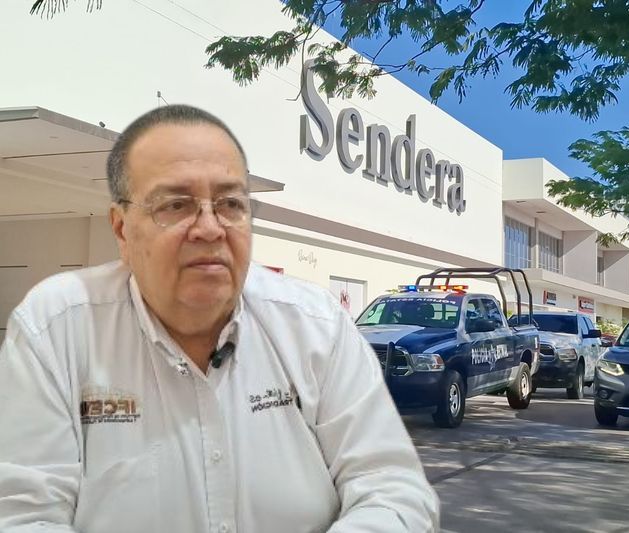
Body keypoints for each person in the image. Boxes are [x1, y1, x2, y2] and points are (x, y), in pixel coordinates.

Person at [0, 105, 439, 532]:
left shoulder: (315, 325)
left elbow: (392, 487)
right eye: (175, 205)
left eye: (230, 203)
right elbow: (21, 513)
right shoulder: (56, 329)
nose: (210, 228)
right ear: (121, 229)